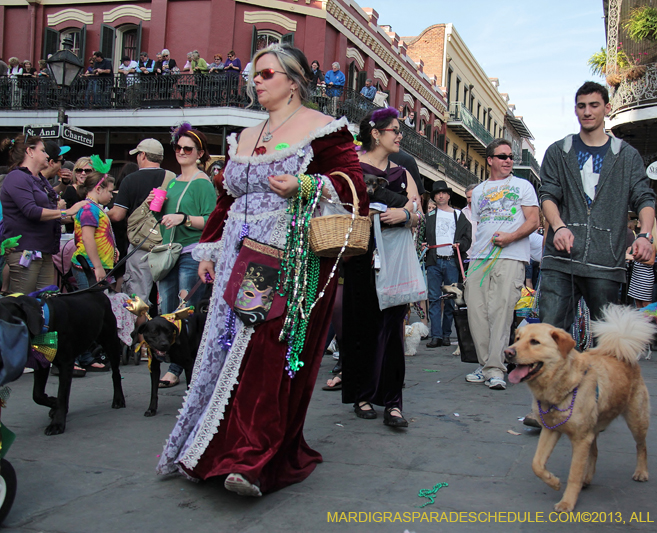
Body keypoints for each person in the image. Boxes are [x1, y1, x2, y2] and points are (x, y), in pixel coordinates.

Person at [156, 44, 367, 497]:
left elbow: (354, 188)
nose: (257, 79)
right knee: (226, 348)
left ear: (294, 80)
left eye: (267, 73)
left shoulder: (324, 130)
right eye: (254, 73)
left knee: (266, 353)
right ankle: (212, 449)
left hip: (284, 258)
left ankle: (252, 460)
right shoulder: (245, 136)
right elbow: (226, 199)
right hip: (237, 257)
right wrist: (209, 250)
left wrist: (305, 184)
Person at [538, 81, 656, 331]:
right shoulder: (558, 151)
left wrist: (645, 235)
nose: (587, 112)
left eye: (594, 105)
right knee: (550, 335)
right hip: (561, 259)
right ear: (575, 110)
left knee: (609, 338)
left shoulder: (626, 155)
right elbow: (547, 195)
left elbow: (644, 197)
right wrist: (559, 227)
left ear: (607, 108)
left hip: (606, 262)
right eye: (581, 106)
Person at [342, 106, 419, 426]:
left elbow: (417, 212)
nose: (400, 136)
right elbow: (342, 207)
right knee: (361, 325)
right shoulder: (351, 167)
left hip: (395, 255)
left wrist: (406, 215)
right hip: (361, 254)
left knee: (393, 328)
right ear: (376, 133)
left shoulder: (403, 172)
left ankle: (393, 402)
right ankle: (362, 394)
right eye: (395, 130)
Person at [464, 138, 540, 390]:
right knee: (476, 311)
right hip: (479, 258)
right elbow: (481, 225)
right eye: (503, 156)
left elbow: (533, 221)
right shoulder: (479, 191)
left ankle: (496, 368)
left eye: (510, 157)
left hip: (511, 256)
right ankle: (486, 363)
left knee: (501, 312)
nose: (508, 161)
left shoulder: (523, 186)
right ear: (490, 160)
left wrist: (511, 237)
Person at [150, 124, 215, 388]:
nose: (182, 152)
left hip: (191, 252)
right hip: (168, 252)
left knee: (184, 312)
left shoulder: (203, 183)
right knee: (167, 310)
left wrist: (184, 218)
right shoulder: (173, 182)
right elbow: (164, 219)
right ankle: (177, 362)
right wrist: (154, 207)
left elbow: (212, 221)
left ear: (200, 153)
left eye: (188, 148)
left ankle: (179, 367)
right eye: (178, 147)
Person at [0, 134, 87, 294]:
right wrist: (67, 211)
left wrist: (75, 217)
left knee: (47, 299)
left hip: (43, 250)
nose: (47, 155)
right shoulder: (16, 177)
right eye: (42, 150)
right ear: (29, 152)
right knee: (25, 302)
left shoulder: (38, 178)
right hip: (26, 250)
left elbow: (50, 213)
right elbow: (31, 211)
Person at [108, 139, 171, 313]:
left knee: (137, 296)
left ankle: (137, 327)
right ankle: (164, 326)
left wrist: (100, 212)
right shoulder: (173, 178)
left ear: (142, 155)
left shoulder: (130, 180)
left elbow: (118, 215)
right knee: (166, 296)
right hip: (166, 245)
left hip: (140, 245)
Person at [424, 180, 471, 348]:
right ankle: (436, 335)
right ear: (434, 197)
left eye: (443, 192)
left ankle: (446, 335)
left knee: (451, 299)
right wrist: (423, 244)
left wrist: (460, 245)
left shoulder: (458, 215)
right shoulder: (429, 216)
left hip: (452, 261)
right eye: (437, 193)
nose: (441, 195)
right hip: (434, 261)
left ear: (449, 195)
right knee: (434, 298)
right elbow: (422, 236)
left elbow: (467, 236)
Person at [71, 169, 116, 290]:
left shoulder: (94, 207)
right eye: (110, 191)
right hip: (88, 267)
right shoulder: (89, 209)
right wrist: (98, 267)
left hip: (93, 266)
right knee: (89, 300)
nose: (112, 196)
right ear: (98, 189)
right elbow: (87, 238)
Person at [62, 156, 93, 233]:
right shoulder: (68, 190)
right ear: (75, 173)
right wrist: (73, 217)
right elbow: (61, 214)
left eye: (87, 171)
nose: (83, 173)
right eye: (79, 170)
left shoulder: (96, 190)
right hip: (73, 233)